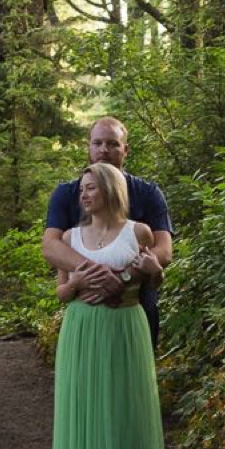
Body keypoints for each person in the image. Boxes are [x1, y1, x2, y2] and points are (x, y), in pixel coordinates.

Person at [49, 162, 175, 449]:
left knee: (125, 407)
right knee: (85, 409)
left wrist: (156, 270)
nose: (83, 194)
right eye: (81, 189)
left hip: (126, 327)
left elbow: (154, 282)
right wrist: (74, 286)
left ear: (110, 189)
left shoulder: (139, 232)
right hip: (82, 330)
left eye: (91, 188)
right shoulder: (70, 238)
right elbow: (60, 292)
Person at [42, 117, 174, 348]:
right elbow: (51, 246)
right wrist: (100, 276)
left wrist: (125, 278)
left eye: (113, 143)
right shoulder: (67, 193)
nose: (104, 150)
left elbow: (163, 250)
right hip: (86, 307)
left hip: (136, 302)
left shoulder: (147, 193)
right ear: (89, 147)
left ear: (126, 149)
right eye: (98, 143)